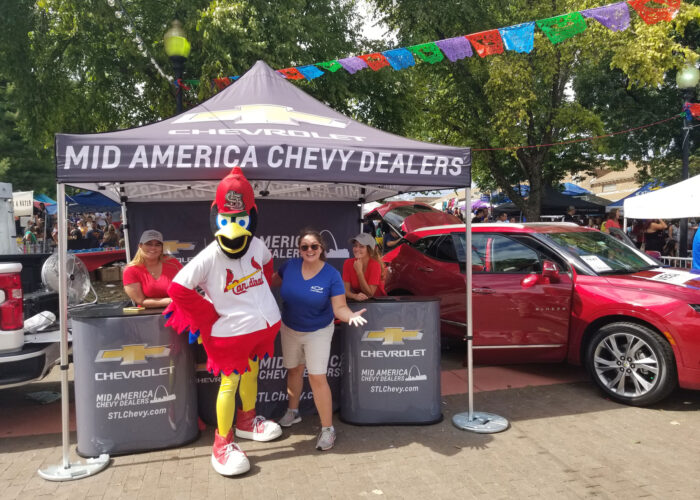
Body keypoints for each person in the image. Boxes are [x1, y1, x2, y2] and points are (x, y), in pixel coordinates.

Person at [165, 168, 283, 477]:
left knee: (252, 374)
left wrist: (263, 302)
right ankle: (222, 442)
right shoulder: (209, 255)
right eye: (228, 220)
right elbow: (177, 288)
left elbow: (268, 266)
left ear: (251, 216)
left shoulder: (258, 246)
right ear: (217, 217)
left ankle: (247, 420)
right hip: (229, 334)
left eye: (240, 220)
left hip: (259, 331)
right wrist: (207, 314)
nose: (234, 229)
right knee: (229, 384)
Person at [272, 228, 366, 451]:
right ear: (299, 250)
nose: (309, 250)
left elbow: (340, 307)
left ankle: (327, 430)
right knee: (294, 370)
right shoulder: (290, 266)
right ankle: (293, 412)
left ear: (322, 248)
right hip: (290, 328)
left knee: (316, 378)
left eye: (314, 246)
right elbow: (272, 280)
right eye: (304, 247)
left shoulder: (331, 275)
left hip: (318, 331)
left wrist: (350, 316)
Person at [123, 229, 183, 308]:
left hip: (178, 311)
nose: (153, 248)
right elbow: (141, 301)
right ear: (140, 246)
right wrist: (171, 301)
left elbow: (187, 288)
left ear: (162, 247)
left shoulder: (173, 263)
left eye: (157, 245)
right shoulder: (130, 270)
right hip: (148, 316)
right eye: (149, 244)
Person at [343, 233, 386, 301]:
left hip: (378, 303)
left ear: (369, 249)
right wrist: (354, 296)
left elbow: (370, 294)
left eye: (361, 246)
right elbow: (344, 291)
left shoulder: (375, 265)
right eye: (355, 245)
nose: (357, 249)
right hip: (360, 303)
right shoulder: (348, 263)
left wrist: (359, 272)